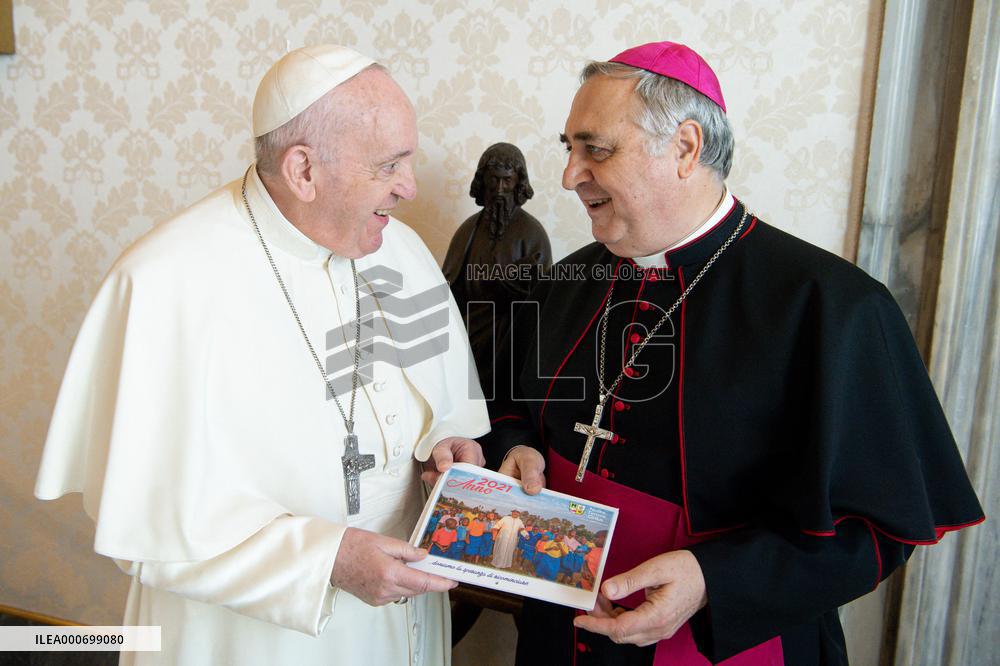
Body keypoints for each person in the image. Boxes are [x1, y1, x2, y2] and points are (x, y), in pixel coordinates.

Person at [485, 41, 984, 665]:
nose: (569, 176)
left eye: (597, 149)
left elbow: (876, 530)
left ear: (686, 149)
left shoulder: (829, 305)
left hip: (723, 643)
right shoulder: (568, 280)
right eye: (570, 149)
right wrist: (517, 448)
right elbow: (511, 413)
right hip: (559, 633)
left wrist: (714, 578)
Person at [34, 45, 489, 666]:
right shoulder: (166, 283)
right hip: (246, 640)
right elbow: (145, 531)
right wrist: (324, 560)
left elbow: (443, 414)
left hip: (400, 620)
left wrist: (448, 449)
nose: (409, 187)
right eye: (389, 165)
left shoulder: (400, 252)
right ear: (303, 170)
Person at [442, 142, 552, 395]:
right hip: (469, 332)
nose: (500, 189)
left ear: (518, 183)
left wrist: (508, 285)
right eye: (494, 180)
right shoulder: (468, 230)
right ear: (483, 181)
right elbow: (448, 287)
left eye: (507, 181)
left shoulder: (532, 233)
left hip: (513, 337)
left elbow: (543, 297)